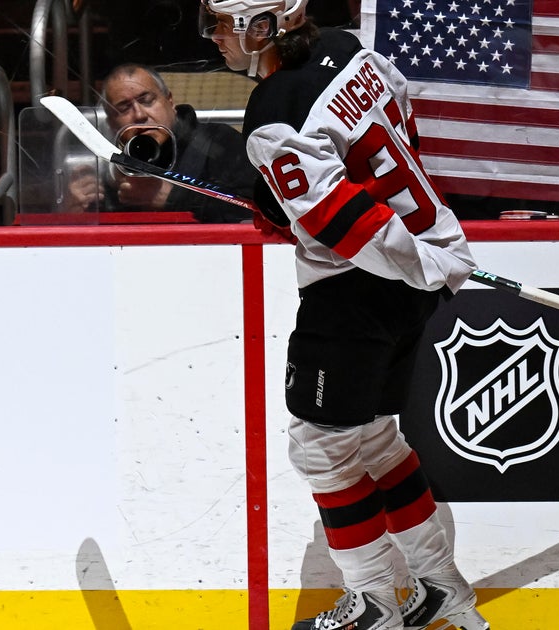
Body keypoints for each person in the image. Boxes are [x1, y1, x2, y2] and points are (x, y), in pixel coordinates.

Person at [200, 1, 489, 629]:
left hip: (357, 292)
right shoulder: (348, 46)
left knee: (322, 449)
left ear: (265, 24)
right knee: (377, 439)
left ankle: (373, 601)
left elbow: (337, 218)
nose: (214, 35)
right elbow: (392, 127)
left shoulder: (274, 105)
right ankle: (442, 588)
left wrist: (296, 214)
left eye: (223, 20)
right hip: (409, 281)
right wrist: (289, 209)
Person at [66, 63, 257, 223]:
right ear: (111, 123)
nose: (139, 115)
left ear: (170, 101)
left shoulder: (216, 142)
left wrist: (173, 198)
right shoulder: (106, 161)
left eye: (147, 100)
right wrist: (77, 209)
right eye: (124, 108)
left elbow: (255, 209)